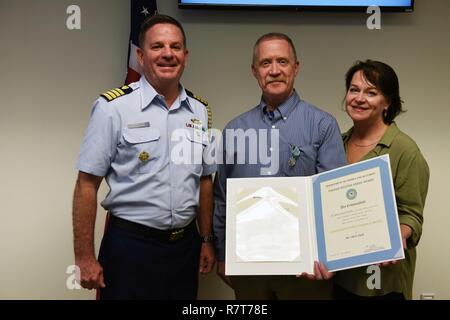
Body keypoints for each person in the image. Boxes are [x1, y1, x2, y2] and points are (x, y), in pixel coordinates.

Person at [72, 14, 216, 300]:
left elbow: (205, 180)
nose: (167, 54)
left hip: (184, 249)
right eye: (157, 46)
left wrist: (206, 240)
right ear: (140, 55)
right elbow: (86, 184)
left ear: (185, 56)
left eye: (175, 47)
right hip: (130, 248)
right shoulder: (112, 108)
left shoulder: (200, 111)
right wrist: (84, 257)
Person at [213, 32, 347, 299]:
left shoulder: (323, 125)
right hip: (249, 269)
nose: (274, 71)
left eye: (282, 62)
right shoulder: (235, 130)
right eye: (265, 63)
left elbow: (334, 198)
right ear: (254, 71)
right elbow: (222, 197)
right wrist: (222, 253)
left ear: (295, 67)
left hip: (305, 272)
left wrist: (331, 257)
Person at [333, 60, 429, 300]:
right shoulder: (335, 144)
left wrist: (400, 233)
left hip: (383, 283)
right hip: (340, 276)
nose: (359, 98)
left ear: (388, 102)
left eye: (371, 92)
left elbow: (412, 214)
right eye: (354, 90)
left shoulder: (405, 150)